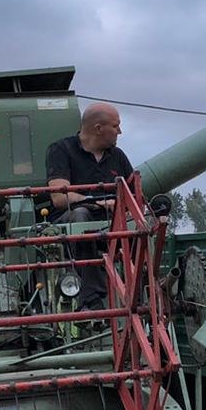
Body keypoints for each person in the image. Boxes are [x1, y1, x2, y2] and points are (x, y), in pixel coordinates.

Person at [46, 103, 134, 310]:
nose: (119, 132)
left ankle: (141, 285)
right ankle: (92, 297)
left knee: (141, 223)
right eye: (115, 126)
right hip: (69, 221)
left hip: (110, 221)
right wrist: (99, 202)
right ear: (98, 128)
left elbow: (133, 194)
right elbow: (59, 197)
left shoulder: (118, 156)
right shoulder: (61, 150)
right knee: (81, 215)